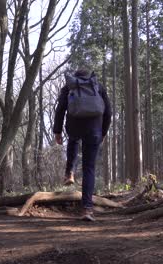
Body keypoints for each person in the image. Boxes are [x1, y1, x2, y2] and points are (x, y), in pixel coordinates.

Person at [53, 68, 112, 221]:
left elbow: (60, 110)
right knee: (89, 168)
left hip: (74, 126)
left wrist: (57, 131)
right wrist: (103, 132)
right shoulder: (98, 86)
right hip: (94, 129)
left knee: (73, 139)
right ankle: (87, 209)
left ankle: (69, 172)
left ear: (76, 77)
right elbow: (108, 112)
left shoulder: (69, 87)